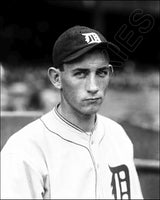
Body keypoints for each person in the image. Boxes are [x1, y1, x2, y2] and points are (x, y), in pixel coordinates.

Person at [1, 25, 143, 199]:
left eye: (101, 72)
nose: (93, 87)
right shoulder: (25, 149)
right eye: (80, 74)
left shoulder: (118, 135)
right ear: (56, 78)